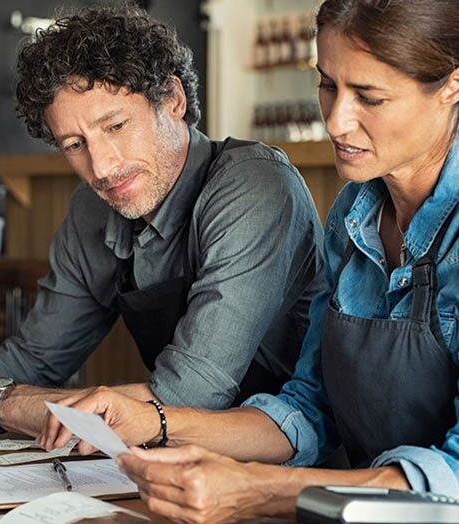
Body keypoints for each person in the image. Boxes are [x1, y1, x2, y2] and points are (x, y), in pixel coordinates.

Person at [41, 0, 459, 521]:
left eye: (369, 97)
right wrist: (153, 422)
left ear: (451, 87)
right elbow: (308, 408)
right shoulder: (355, 213)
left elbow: (453, 474)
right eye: (328, 86)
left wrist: (261, 489)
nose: (335, 120)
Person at [0, 5, 324, 436]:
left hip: (295, 468)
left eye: (116, 126)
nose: (101, 167)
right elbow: (33, 358)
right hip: (174, 459)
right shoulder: (92, 208)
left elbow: (188, 394)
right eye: (74, 144)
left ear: (173, 99)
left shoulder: (254, 186)